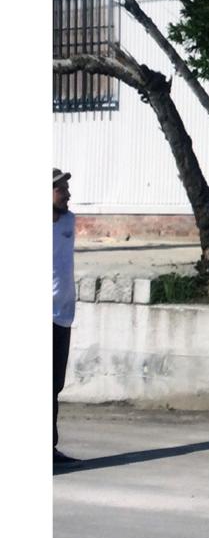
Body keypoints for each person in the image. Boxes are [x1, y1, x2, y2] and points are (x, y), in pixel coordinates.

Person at [53, 168, 80, 466]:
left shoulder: (70, 221)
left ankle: (50, 449)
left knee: (53, 386)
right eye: (61, 189)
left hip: (63, 316)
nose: (68, 193)